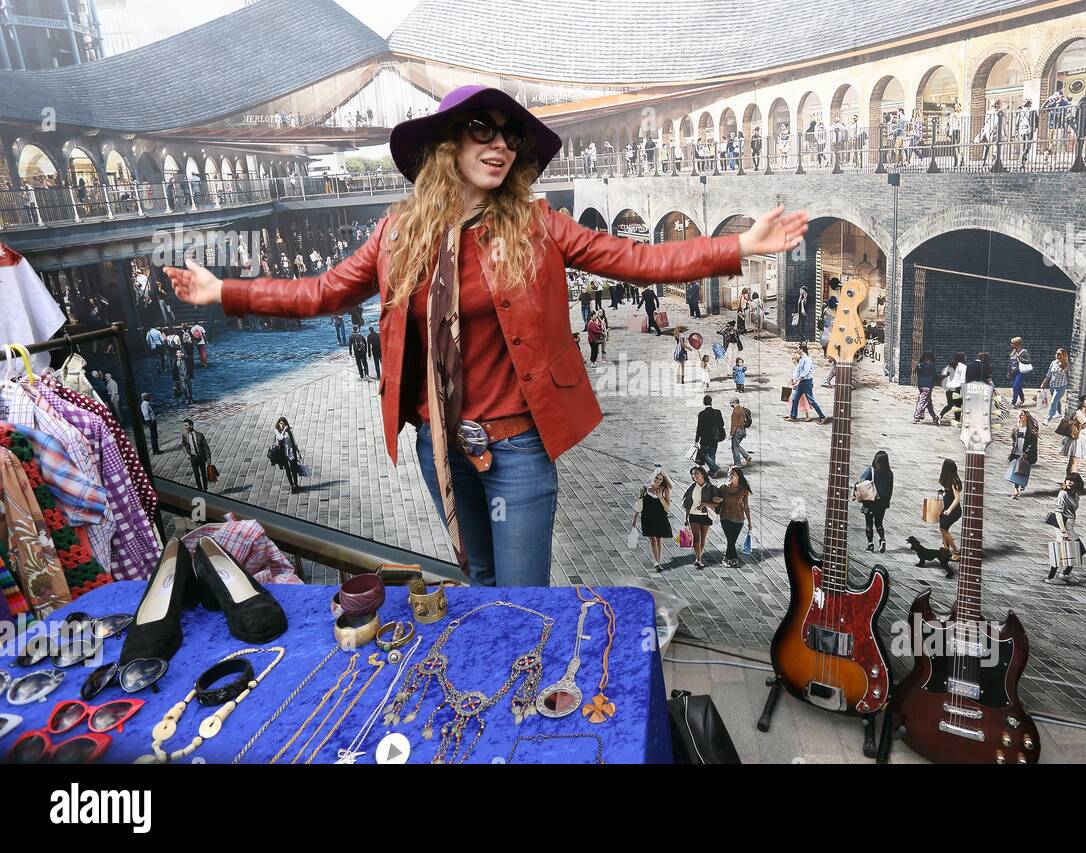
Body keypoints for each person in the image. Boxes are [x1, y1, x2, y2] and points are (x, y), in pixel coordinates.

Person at [165, 84, 807, 588]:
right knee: (477, 580)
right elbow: (323, 292)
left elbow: (637, 261)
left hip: (517, 449)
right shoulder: (399, 233)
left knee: (522, 596)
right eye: (482, 130)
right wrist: (224, 291)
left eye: (509, 136)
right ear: (448, 145)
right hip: (439, 446)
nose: (499, 145)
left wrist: (736, 246)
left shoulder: (539, 226)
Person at [1045, 473, 1086, 582]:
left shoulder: (1075, 494)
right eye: (1068, 480)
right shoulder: (1063, 494)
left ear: (1078, 483)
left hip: (1069, 526)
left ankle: (1065, 574)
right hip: (1063, 526)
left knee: (1077, 550)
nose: (1069, 482)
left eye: (1072, 481)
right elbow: (1058, 512)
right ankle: (1051, 577)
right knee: (1063, 550)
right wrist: (1063, 530)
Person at [681, 466, 722, 568]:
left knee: (703, 539)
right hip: (693, 514)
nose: (694, 475)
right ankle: (698, 559)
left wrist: (704, 503)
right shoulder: (691, 487)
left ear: (703, 474)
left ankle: (699, 556)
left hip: (706, 515)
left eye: (696, 473)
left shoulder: (711, 488)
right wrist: (686, 518)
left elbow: (717, 504)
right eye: (693, 474)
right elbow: (687, 504)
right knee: (696, 538)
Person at [635, 468, 674, 571]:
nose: (658, 480)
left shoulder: (664, 490)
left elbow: (667, 506)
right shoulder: (644, 488)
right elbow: (639, 504)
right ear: (653, 476)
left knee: (659, 539)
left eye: (660, 479)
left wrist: (660, 496)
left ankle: (659, 561)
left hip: (660, 516)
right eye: (657, 477)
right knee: (652, 539)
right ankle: (656, 562)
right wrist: (635, 518)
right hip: (647, 516)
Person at [857, 450, 893, 552]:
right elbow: (890, 489)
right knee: (879, 523)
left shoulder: (871, 470)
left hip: (870, 501)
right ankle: (882, 539)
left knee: (869, 524)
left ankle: (870, 544)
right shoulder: (890, 473)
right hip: (882, 503)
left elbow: (860, 480)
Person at [717, 466, 753, 568]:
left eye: (732, 473)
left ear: (738, 476)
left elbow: (746, 507)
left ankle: (728, 558)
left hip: (739, 519)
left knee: (731, 541)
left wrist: (750, 522)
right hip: (725, 517)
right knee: (731, 540)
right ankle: (733, 559)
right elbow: (715, 500)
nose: (730, 475)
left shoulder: (743, 490)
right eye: (729, 473)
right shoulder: (723, 487)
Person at [786, 342, 828, 424]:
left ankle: (822, 416)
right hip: (801, 383)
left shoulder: (807, 359)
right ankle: (793, 416)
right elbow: (799, 371)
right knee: (795, 399)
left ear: (801, 349)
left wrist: (797, 379)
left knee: (811, 400)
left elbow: (806, 371)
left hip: (807, 383)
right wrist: (795, 380)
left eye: (798, 348)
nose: (797, 350)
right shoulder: (802, 358)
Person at [1005, 410, 1039, 498]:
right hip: (1016, 453)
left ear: (1026, 417)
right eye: (1019, 414)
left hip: (1026, 454)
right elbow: (1013, 438)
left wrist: (1026, 453)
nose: (1020, 416)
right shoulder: (1016, 428)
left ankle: (1021, 485)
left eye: (1022, 415)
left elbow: (1033, 443)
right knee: (1015, 472)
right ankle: (1016, 490)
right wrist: (1014, 446)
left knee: (1023, 471)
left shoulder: (1031, 430)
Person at [1063, 394, 1086, 477]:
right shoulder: (1078, 413)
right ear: (1081, 402)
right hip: (1076, 439)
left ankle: (1068, 479)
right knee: (1074, 462)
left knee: (1072, 462)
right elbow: (1083, 426)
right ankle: (1071, 480)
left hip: (1082, 439)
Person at [695, 394, 726, 477]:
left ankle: (715, 469)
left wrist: (697, 439)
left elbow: (699, 428)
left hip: (704, 438)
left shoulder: (701, 414)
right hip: (714, 437)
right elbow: (722, 424)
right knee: (712, 454)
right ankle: (713, 472)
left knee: (704, 455)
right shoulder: (717, 412)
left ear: (704, 403)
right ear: (711, 402)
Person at [938, 458, 962, 558]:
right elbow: (950, 494)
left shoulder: (954, 481)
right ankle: (946, 549)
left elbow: (957, 498)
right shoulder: (949, 479)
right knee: (943, 528)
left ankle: (955, 550)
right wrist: (943, 492)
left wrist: (949, 510)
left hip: (953, 510)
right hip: (946, 508)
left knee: (943, 528)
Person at [273, 416, 303, 494]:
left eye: (284, 424)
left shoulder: (289, 431)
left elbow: (294, 440)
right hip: (282, 453)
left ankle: (296, 483)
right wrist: (283, 431)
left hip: (290, 452)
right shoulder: (277, 430)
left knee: (294, 468)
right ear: (278, 423)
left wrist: (298, 451)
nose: (282, 425)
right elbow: (280, 438)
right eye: (281, 423)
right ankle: (292, 485)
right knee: (287, 469)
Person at [181, 419, 211, 491]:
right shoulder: (185, 435)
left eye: (186, 425)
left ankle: (205, 488)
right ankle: (200, 489)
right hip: (193, 457)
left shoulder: (199, 435)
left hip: (201, 457)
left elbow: (206, 448)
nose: (185, 427)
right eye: (184, 425)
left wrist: (208, 459)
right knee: (196, 475)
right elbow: (183, 445)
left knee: (203, 474)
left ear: (191, 425)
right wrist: (187, 454)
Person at [1041, 348, 1069, 422]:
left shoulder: (1066, 364)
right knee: (1057, 400)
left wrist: (1061, 366)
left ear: (1063, 356)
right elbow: (1049, 374)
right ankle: (1059, 413)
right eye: (1056, 353)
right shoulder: (1053, 362)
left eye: (1059, 354)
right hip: (1052, 385)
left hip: (1061, 386)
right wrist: (1044, 383)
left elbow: (1063, 372)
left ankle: (1048, 419)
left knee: (1053, 401)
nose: (1057, 355)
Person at [913, 351, 940, 425]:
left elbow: (916, 373)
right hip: (928, 385)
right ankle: (916, 416)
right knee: (923, 401)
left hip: (920, 384)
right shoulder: (931, 365)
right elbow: (935, 375)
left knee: (928, 402)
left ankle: (934, 417)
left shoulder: (920, 365)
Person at [939, 352, 966, 423]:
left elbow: (944, 374)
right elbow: (963, 380)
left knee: (950, 405)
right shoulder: (963, 366)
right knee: (957, 405)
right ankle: (956, 421)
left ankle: (940, 415)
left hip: (948, 387)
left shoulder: (949, 365)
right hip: (957, 387)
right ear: (962, 358)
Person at [729, 396, 752, 467]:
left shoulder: (735, 411)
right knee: (736, 445)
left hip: (737, 430)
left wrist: (732, 433)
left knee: (734, 448)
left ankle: (737, 464)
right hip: (742, 430)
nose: (730, 405)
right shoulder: (742, 409)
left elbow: (734, 423)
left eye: (730, 403)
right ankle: (747, 457)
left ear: (734, 402)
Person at [1007, 336, 1030, 407]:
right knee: (1018, 386)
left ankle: (1013, 402)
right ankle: (1022, 399)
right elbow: (1011, 363)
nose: (1011, 344)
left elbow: (1029, 361)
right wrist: (1009, 371)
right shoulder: (1013, 351)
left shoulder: (1024, 351)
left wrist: (1020, 358)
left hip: (1020, 372)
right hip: (1013, 372)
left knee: (1015, 386)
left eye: (1012, 343)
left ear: (1017, 343)